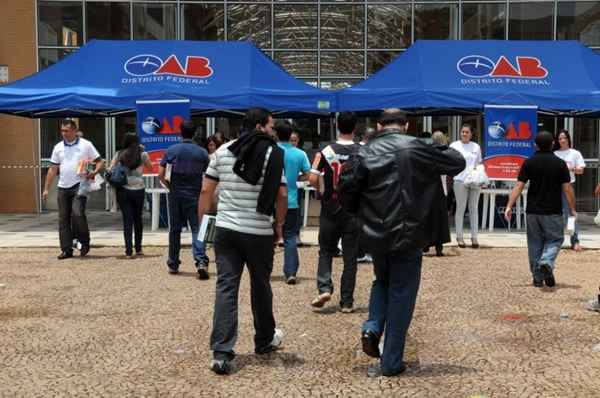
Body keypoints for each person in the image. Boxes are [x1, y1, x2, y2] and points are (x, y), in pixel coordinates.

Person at [338, 109, 465, 377]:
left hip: (375, 232)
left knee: (381, 281)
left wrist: (360, 215)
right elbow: (457, 162)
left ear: (379, 125)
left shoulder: (363, 152)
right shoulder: (418, 147)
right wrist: (433, 146)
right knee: (402, 293)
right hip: (409, 232)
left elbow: (346, 188)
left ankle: (372, 326)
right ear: (406, 125)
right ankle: (391, 360)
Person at [197, 107, 287, 375]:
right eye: (271, 126)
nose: (273, 130)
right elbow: (281, 195)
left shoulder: (222, 151)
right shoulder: (272, 153)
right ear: (260, 126)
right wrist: (279, 224)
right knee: (260, 286)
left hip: (225, 229)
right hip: (258, 230)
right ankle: (264, 340)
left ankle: (222, 352)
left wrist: (204, 224)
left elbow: (206, 190)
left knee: (226, 286)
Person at [505, 131, 576, 288]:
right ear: (552, 144)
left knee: (534, 243)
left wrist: (509, 205)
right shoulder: (560, 163)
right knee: (555, 239)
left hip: (532, 211)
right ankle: (547, 261)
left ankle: (537, 277)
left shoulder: (529, 162)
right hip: (553, 210)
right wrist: (572, 208)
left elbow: (518, 185)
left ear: (535, 145)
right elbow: (567, 188)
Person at [309, 112, 361, 313]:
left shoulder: (326, 151)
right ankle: (347, 301)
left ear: (338, 127)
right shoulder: (362, 151)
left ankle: (324, 287)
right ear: (355, 128)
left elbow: (313, 180)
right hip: (353, 210)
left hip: (330, 207)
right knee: (350, 257)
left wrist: (322, 189)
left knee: (326, 250)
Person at [43, 119, 105, 259]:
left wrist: (94, 172)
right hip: (63, 186)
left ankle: (84, 242)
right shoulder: (58, 147)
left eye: (66, 130)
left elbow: (100, 161)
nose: (63, 133)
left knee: (77, 213)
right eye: (62, 130)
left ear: (74, 131)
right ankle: (66, 249)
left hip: (80, 185)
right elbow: (53, 169)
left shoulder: (86, 145)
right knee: (63, 218)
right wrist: (46, 188)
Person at [159, 120, 211, 279]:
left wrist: (170, 187)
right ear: (195, 133)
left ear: (180, 132)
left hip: (176, 194)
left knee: (174, 230)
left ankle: (173, 263)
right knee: (197, 229)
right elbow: (210, 176)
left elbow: (161, 175)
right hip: (195, 195)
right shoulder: (202, 153)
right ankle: (201, 261)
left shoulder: (171, 151)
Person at [275, 121, 310, 284]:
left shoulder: (270, 150)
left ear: (276, 134)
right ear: (291, 136)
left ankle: (264, 269)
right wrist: (295, 178)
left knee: (267, 237)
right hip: (291, 199)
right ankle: (290, 272)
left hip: (270, 201)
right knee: (290, 237)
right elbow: (308, 175)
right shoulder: (300, 154)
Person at [110, 133, 153, 258]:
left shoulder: (119, 154)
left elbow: (110, 169)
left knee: (127, 220)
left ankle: (128, 251)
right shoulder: (143, 154)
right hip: (138, 189)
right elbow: (150, 168)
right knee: (138, 219)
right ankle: (138, 248)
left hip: (123, 190)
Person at [450, 123, 483, 248]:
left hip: (474, 180)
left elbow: (479, 163)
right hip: (459, 180)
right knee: (460, 208)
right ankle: (459, 237)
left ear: (471, 134)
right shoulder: (454, 145)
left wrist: (480, 176)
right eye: (463, 132)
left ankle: (474, 238)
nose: (464, 134)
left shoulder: (476, 146)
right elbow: (450, 161)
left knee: (474, 208)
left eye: (467, 132)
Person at [553, 129, 585, 251]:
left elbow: (581, 170)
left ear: (568, 139)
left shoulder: (575, 153)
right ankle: (556, 241)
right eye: (560, 138)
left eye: (564, 138)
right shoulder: (554, 153)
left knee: (571, 214)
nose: (562, 140)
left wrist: (571, 169)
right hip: (555, 187)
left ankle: (574, 240)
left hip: (569, 185)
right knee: (557, 215)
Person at [423, 131, 452, 257]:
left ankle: (425, 245)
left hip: (427, 189)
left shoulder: (426, 153)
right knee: (440, 218)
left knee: (427, 217)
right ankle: (439, 247)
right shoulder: (445, 153)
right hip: (441, 189)